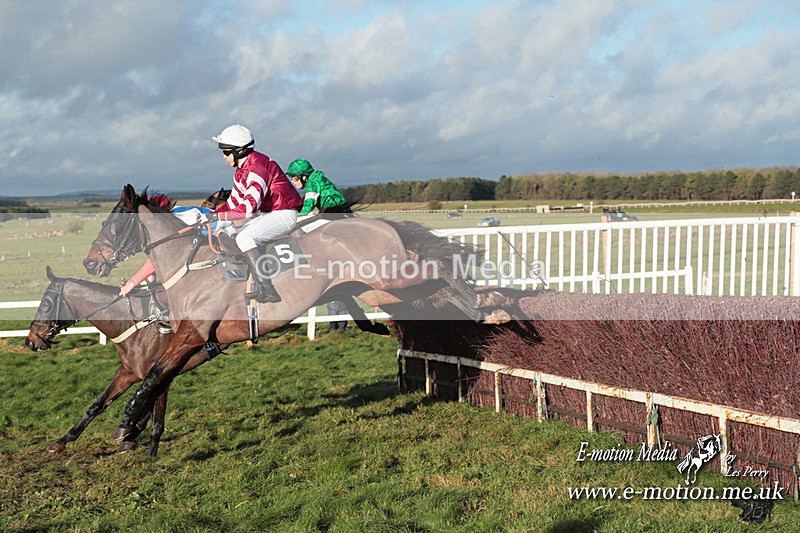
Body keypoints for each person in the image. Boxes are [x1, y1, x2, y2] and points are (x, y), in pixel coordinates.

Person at [200, 124, 303, 303]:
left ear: (239, 151)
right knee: (231, 233)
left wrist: (219, 217)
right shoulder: (242, 170)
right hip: (272, 213)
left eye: (226, 152)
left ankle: (267, 287)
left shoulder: (257, 168)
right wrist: (211, 218)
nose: (224, 157)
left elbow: (247, 209)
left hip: (284, 214)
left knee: (244, 239)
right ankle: (251, 281)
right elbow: (233, 203)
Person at [286, 158, 351, 217]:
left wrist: (291, 215)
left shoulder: (313, 183)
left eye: (295, 179)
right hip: (337, 208)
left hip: (333, 210)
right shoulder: (315, 179)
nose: (292, 182)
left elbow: (308, 207)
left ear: (304, 177)